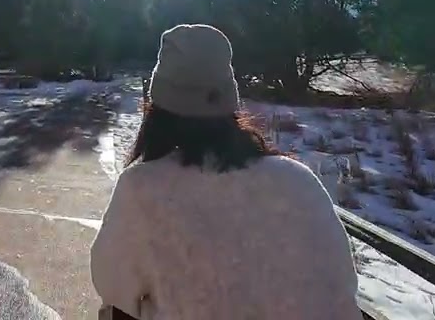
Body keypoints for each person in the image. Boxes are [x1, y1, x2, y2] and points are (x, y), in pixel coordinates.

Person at [91, 24, 362, 320]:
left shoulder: (142, 189)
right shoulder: (299, 179)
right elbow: (342, 284)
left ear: (157, 108)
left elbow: (112, 286)